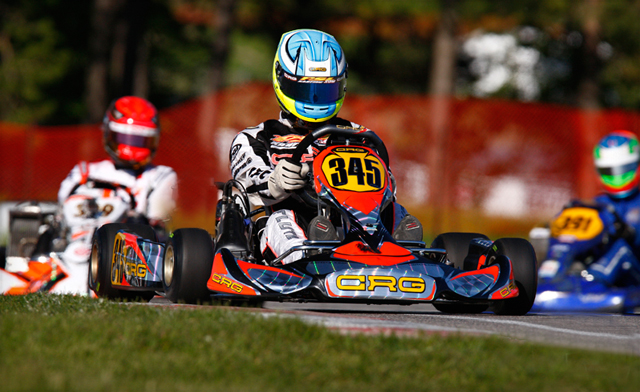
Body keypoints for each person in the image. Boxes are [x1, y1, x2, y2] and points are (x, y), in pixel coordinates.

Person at [229, 29, 422, 265]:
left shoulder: (360, 135)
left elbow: (386, 183)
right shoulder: (256, 137)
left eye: (325, 91)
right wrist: (275, 182)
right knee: (283, 219)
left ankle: (407, 254)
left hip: (356, 222)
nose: (315, 100)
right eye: (305, 90)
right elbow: (246, 185)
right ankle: (307, 257)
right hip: (291, 218)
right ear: (282, 79)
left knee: (397, 212)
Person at [52, 96, 177, 294]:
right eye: (126, 138)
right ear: (110, 133)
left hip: (125, 251)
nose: (133, 145)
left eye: (140, 139)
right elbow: (61, 207)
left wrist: (132, 216)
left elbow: (159, 225)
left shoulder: (161, 176)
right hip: (74, 239)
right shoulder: (84, 171)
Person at [583, 130, 640, 286]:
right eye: (609, 171)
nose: (617, 175)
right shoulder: (597, 204)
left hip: (635, 270)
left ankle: (593, 284)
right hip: (608, 270)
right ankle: (550, 281)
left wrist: (631, 234)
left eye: (624, 168)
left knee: (622, 246)